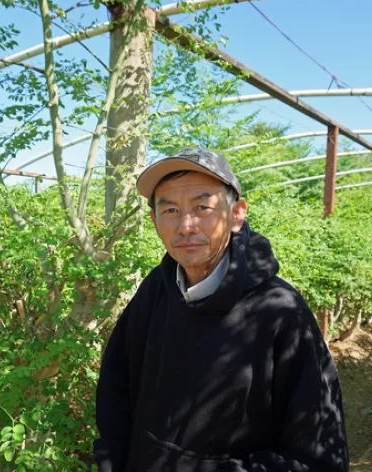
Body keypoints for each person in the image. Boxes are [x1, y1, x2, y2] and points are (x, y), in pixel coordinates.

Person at [94, 147, 349, 472]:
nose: (185, 225)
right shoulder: (156, 289)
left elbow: (318, 457)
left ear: (237, 214)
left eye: (202, 207)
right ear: (154, 219)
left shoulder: (279, 312)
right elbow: (117, 384)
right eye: (169, 210)